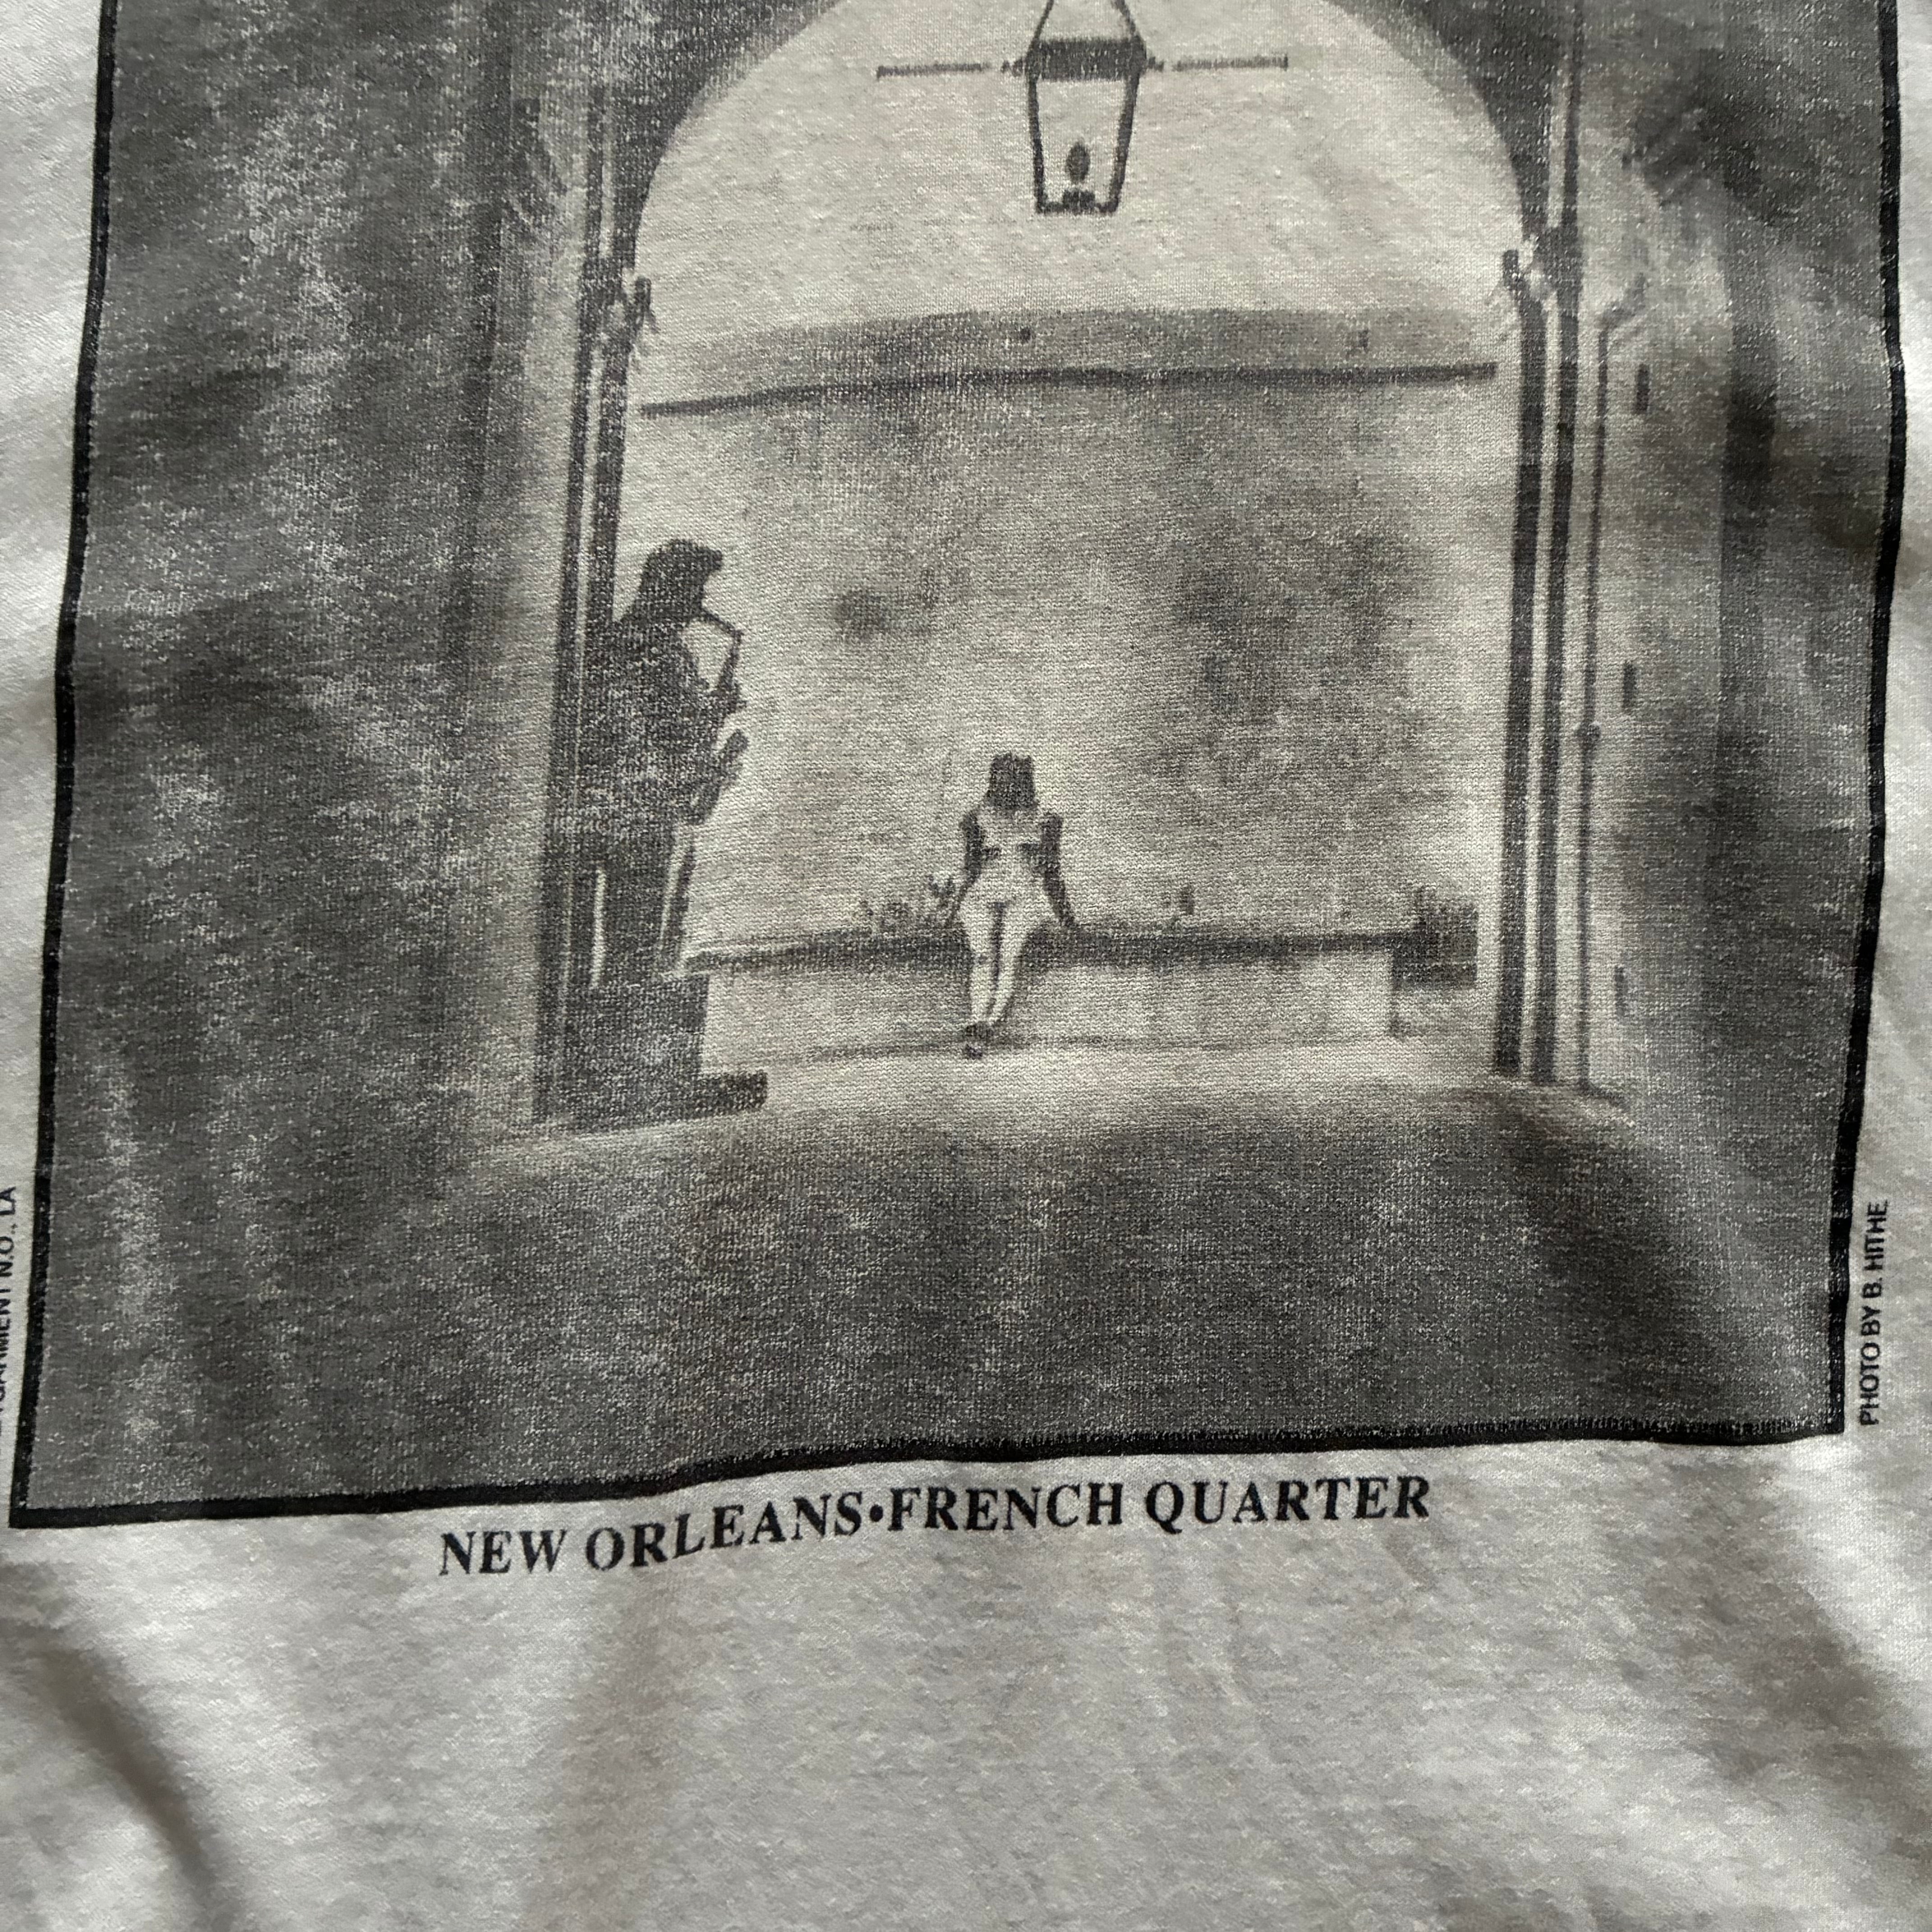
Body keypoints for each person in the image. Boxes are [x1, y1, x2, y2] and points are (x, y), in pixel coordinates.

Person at [574, 540, 748, 985]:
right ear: (668, 589)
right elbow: (657, 746)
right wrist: (712, 751)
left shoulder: (648, 646)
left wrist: (713, 713)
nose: (698, 606)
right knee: (636, 957)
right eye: (694, 592)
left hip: (640, 816)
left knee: (640, 954)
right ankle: (624, 1020)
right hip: (641, 821)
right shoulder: (648, 651)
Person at [955, 753, 1076, 1058]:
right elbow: (970, 871)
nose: (1007, 788)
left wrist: (1069, 921)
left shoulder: (1046, 821)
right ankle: (979, 1021)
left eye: (1014, 781)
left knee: (1009, 957)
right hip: (980, 897)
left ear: (1025, 784)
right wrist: (949, 911)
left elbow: (1052, 875)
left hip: (1023, 896)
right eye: (1001, 781)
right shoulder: (975, 819)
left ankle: (987, 1025)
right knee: (983, 956)